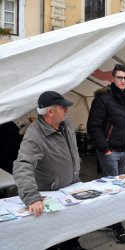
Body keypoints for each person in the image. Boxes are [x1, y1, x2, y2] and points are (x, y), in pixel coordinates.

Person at [13, 91, 85, 250]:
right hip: (50, 192)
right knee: (49, 233)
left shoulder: (66, 123)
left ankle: (72, 246)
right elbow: (23, 165)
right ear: (50, 111)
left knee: (73, 224)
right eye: (62, 107)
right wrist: (31, 197)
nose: (67, 109)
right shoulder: (34, 134)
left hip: (72, 186)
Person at [87, 64, 125, 244]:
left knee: (117, 187)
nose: (122, 81)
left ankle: (108, 217)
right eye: (119, 77)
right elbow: (93, 126)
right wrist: (105, 148)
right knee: (113, 188)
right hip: (109, 151)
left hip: (124, 149)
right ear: (113, 78)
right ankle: (116, 225)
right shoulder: (103, 98)